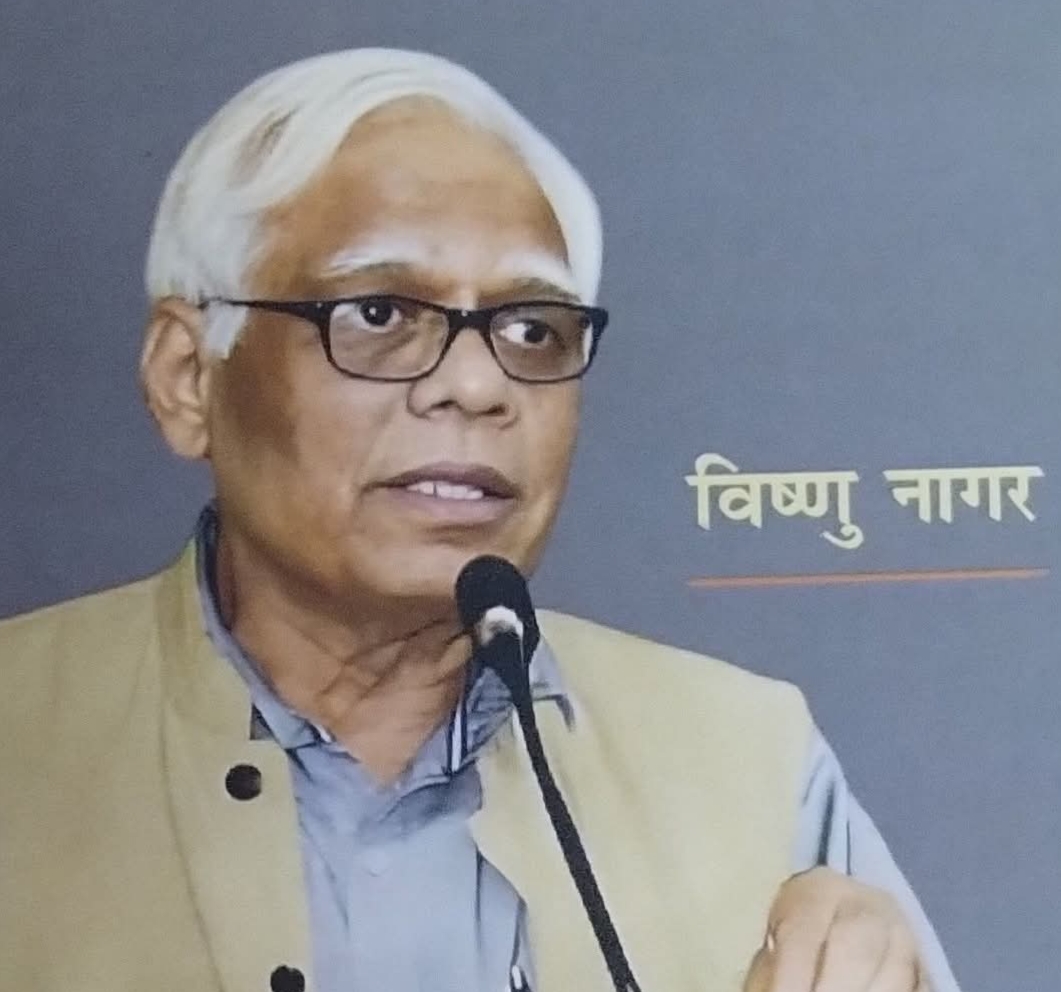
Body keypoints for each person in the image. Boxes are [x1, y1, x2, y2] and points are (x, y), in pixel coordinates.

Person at [0, 49, 961, 992]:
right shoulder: (23, 733)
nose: (475, 383)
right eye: (379, 314)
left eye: (533, 330)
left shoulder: (746, 759)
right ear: (188, 377)